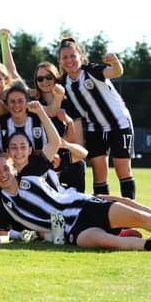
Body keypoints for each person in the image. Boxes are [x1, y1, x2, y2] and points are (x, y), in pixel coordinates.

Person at [0, 153, 151, 253]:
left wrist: (42, 113)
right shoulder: (1, 202)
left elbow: (54, 146)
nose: (3, 174)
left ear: (13, 168)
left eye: (6, 168)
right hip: (73, 230)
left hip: (85, 206)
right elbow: (3, 232)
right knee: (111, 243)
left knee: (138, 217)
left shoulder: (31, 175)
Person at [58, 37, 136, 198]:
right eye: (65, 57)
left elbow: (115, 72)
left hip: (119, 124)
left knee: (123, 171)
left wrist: (115, 62)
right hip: (95, 129)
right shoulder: (63, 84)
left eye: (73, 55)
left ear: (80, 56)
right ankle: (105, 218)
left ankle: (130, 219)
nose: (69, 60)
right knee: (99, 176)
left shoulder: (92, 71)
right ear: (60, 61)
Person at [33, 61, 86, 191]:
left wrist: (69, 123)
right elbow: (51, 111)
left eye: (49, 77)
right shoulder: (34, 103)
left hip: (64, 157)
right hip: (42, 157)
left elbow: (74, 144)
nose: (45, 81)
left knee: (78, 164)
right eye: (40, 79)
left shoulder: (69, 104)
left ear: (56, 78)